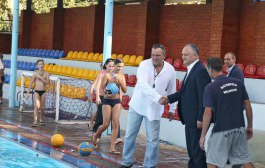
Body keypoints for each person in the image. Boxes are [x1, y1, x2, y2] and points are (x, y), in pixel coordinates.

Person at [121, 44, 176, 168]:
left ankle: (149, 166)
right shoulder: (144, 64)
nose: (154, 58)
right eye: (152, 55)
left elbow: (172, 90)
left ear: (164, 56)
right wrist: (158, 98)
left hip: (154, 109)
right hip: (137, 106)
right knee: (130, 135)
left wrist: (173, 108)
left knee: (153, 140)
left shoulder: (171, 70)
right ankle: (126, 162)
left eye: (157, 55)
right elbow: (143, 85)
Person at [199, 57, 254, 168]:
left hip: (221, 130)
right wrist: (250, 126)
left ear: (210, 69)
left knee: (212, 162)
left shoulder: (210, 87)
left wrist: (203, 135)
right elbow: (248, 105)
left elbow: (207, 113)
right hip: (239, 128)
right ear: (222, 67)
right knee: (244, 160)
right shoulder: (238, 83)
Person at [163, 44, 211, 168]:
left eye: (186, 54)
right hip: (189, 119)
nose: (183, 57)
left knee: (197, 153)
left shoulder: (200, 70)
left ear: (195, 56)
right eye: (182, 54)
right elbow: (184, 92)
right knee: (192, 151)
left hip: (196, 120)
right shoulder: (191, 69)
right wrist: (168, 98)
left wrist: (201, 118)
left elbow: (204, 97)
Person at [92, 58, 127, 154]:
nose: (120, 68)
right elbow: (101, 88)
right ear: (114, 66)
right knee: (105, 124)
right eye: (118, 66)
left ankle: (112, 148)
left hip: (116, 102)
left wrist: (120, 82)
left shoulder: (122, 76)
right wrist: (107, 92)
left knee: (115, 123)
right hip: (107, 101)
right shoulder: (107, 75)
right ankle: (96, 135)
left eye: (122, 67)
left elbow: (124, 90)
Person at [26, 59, 49, 127]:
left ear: (44, 65)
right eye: (39, 64)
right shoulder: (35, 74)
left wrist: (41, 78)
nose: (41, 65)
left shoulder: (46, 74)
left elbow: (48, 83)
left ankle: (41, 119)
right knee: (36, 106)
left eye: (42, 64)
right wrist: (27, 93)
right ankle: (35, 121)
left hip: (43, 91)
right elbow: (31, 83)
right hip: (37, 91)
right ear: (37, 66)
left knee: (42, 107)